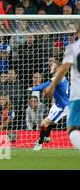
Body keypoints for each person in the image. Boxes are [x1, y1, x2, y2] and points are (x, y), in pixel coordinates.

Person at [44, 23, 80, 152]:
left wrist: (52, 86)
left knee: (72, 129)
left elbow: (64, 68)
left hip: (77, 95)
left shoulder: (73, 47)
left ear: (77, 31)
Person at [31, 59, 70, 150]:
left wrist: (32, 89)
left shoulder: (58, 78)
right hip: (58, 104)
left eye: (52, 65)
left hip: (63, 107)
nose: (50, 67)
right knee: (50, 121)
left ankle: (39, 143)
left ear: (58, 68)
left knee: (44, 123)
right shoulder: (59, 77)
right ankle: (47, 137)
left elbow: (43, 85)